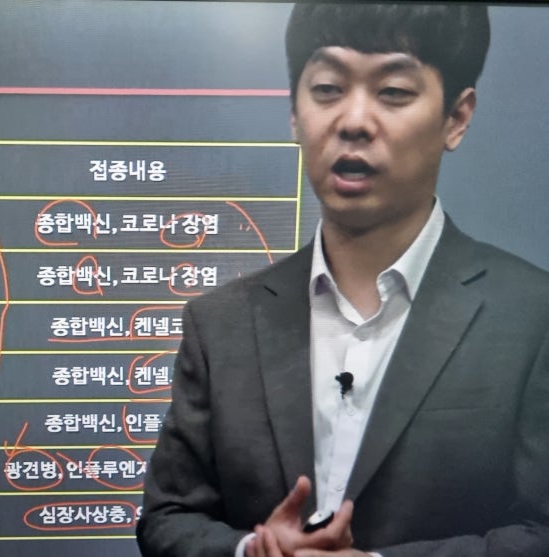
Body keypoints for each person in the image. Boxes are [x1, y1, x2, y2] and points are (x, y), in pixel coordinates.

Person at [136, 3, 549, 557]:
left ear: (456, 117)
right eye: (328, 88)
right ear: (294, 112)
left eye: (393, 91)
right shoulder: (220, 324)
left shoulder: (532, 319)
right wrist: (252, 550)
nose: (353, 120)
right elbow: (167, 518)